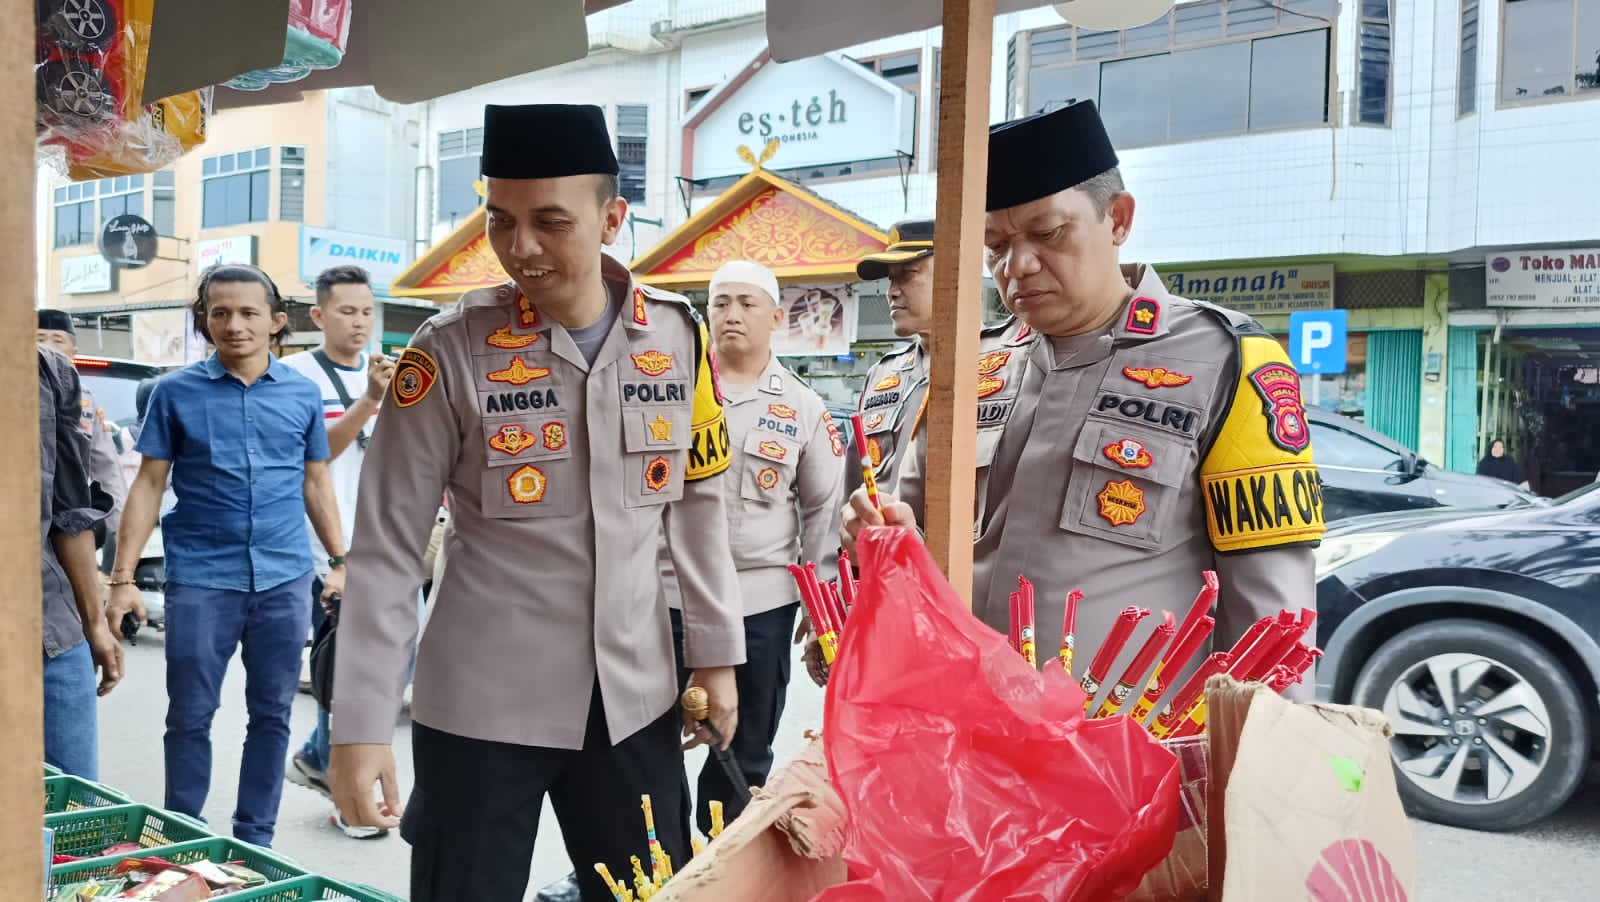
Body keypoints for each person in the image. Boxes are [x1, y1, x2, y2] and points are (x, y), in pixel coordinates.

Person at [327, 103, 745, 902]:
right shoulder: (447, 351)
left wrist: (717, 657)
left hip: (634, 701)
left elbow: (696, 505)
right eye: (500, 220)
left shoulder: (676, 338)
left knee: (650, 893)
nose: (521, 247)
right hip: (482, 708)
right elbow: (385, 549)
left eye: (550, 221)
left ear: (612, 218)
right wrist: (359, 726)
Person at [842, 100, 1324, 690]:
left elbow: (1272, 618)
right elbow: (906, 527)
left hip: (1129, 754)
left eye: (1047, 233)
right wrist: (881, 533)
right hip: (964, 726)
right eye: (994, 246)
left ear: (1118, 219)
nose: (1017, 266)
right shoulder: (969, 368)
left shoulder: (1226, 360)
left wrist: (1253, 769)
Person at [106, 263, 349, 848]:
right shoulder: (173, 393)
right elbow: (147, 484)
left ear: (276, 322)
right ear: (203, 321)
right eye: (219, 313)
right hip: (201, 578)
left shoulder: (301, 394)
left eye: (247, 313)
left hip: (284, 576)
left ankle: (253, 841)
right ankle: (185, 838)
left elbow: (316, 482)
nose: (233, 324)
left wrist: (342, 561)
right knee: (189, 715)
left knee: (272, 715)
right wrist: (122, 577)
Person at [666, 260, 844, 833]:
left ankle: (727, 870)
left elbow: (821, 509)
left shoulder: (802, 406)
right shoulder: (668, 390)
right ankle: (653, 869)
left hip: (759, 605)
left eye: (746, 303)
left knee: (740, 754)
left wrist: (821, 611)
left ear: (774, 317)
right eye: (721, 303)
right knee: (645, 747)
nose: (732, 315)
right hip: (665, 596)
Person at [278, 264, 399, 839]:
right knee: (347, 667)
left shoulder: (388, 372)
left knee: (394, 656)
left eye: (367, 311)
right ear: (318, 316)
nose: (359, 322)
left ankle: (317, 755)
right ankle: (344, 790)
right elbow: (314, 455)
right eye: (347, 311)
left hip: (381, 541)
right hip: (324, 547)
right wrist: (370, 401)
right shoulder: (296, 376)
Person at [39, 346, 124, 779]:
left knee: (75, 804)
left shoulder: (51, 372)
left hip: (51, 626)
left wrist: (96, 623)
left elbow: (71, 510)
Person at [849, 219, 937, 499]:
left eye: (908, 274)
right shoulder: (882, 375)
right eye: (891, 279)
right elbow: (853, 486)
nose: (892, 292)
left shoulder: (1004, 362)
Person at [37, 309, 129, 553]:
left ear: (73, 352)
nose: (48, 347)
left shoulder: (85, 399)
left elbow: (107, 467)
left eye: (57, 340)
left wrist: (119, 531)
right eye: (39, 339)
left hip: (67, 520)